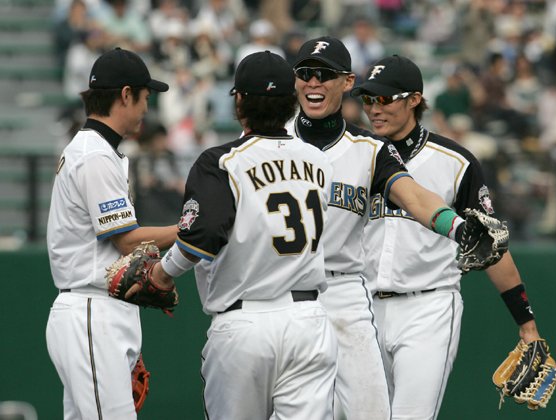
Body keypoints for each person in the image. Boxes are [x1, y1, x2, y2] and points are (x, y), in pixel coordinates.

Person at [286, 36, 492, 420]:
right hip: (279, 294)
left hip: (345, 291)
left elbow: (415, 197)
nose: (314, 81)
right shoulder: (269, 139)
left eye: (324, 74)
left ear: (346, 81)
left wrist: (459, 228)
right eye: (306, 73)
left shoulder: (370, 148)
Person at [133, 51, 338, 419]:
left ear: (239, 101)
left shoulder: (221, 161)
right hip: (309, 320)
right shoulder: (319, 161)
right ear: (292, 102)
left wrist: (162, 273)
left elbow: (201, 236)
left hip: (245, 322)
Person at [352, 54, 542, 419]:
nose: (374, 108)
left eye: (385, 98)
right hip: (360, 309)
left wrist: (526, 322)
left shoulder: (455, 162)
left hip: (427, 307)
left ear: (414, 99)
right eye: (368, 99)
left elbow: (490, 244)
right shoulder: (355, 155)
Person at [45, 47, 178, 419]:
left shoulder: (95, 150)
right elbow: (126, 240)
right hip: (91, 309)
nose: (147, 108)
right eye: (145, 97)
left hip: (94, 310)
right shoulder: (95, 155)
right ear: (125, 94)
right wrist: (187, 230)